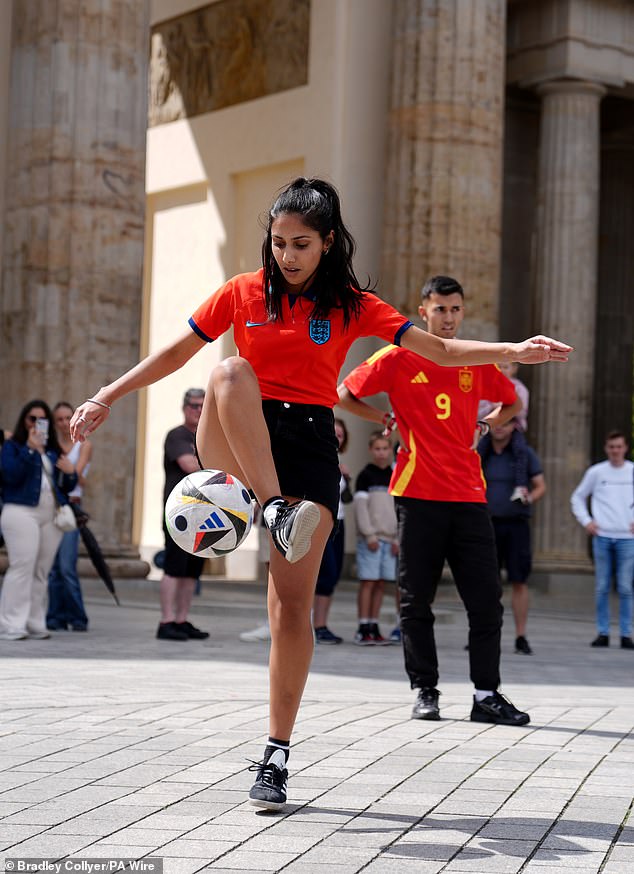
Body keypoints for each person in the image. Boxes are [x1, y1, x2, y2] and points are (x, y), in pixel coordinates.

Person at [70, 178, 570, 810]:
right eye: (278, 242)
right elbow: (174, 353)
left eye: (301, 244)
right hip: (236, 436)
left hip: (308, 446)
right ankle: (271, 507)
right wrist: (104, 396)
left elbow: (440, 350)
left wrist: (515, 351)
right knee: (227, 369)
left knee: (290, 610)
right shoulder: (242, 292)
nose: (287, 255)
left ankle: (275, 754)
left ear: (327, 243)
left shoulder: (354, 304)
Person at [339, 274, 541, 727]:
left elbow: (511, 404)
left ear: (461, 311)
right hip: (416, 493)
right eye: (439, 309)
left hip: (470, 495)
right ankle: (424, 691)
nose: (448, 318)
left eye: (455, 310)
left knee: (486, 600)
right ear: (423, 309)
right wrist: (383, 417)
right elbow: (346, 394)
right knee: (415, 600)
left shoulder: (475, 359)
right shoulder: (397, 356)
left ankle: (487, 695)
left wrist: (488, 423)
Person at [0, 400, 77, 640]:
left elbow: (66, 488)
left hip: (50, 515)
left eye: (41, 420)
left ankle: (34, 622)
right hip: (20, 511)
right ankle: (12, 624)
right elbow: (10, 476)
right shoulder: (13, 447)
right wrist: (31, 450)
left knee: (42, 570)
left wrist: (70, 472)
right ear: (24, 420)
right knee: (22, 567)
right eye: (32, 419)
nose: (36, 424)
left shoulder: (53, 451)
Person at [478, 417, 546, 655]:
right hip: (486, 524)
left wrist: (529, 497)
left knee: (519, 580)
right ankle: (484, 633)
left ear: (513, 427)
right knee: (486, 583)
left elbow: (540, 485)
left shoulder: (523, 453)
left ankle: (520, 635)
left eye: (506, 423)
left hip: (516, 524)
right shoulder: (481, 452)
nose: (500, 427)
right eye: (497, 422)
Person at [570, 430, 634, 649]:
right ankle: (603, 632)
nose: (615, 451)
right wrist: (587, 521)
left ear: (625, 448)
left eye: (619, 446)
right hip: (603, 535)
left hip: (627, 537)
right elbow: (577, 497)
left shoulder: (632, 471)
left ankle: (626, 633)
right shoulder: (597, 472)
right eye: (611, 447)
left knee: (625, 587)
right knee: (602, 586)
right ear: (607, 448)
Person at [157, 388, 210, 641]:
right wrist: (215, 466)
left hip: (203, 514)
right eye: (194, 405)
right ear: (184, 407)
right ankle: (166, 621)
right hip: (179, 514)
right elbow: (189, 466)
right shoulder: (177, 435)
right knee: (173, 569)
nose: (198, 410)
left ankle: (181, 619)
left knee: (192, 573)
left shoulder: (207, 436)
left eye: (202, 406)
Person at [46, 402, 92, 632]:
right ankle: (55, 616)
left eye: (67, 418)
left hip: (71, 508)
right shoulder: (49, 446)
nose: (64, 423)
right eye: (59, 419)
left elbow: (81, 480)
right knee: (53, 568)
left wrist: (70, 470)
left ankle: (78, 617)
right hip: (50, 507)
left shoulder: (82, 445)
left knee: (66, 566)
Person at [353, 431, 398, 645]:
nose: (381, 453)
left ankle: (374, 623)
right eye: (377, 449)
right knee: (368, 582)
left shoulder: (394, 476)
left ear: (391, 450)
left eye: (385, 448)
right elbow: (361, 509)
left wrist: (397, 538)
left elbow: (398, 510)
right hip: (370, 540)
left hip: (390, 541)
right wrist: (369, 534)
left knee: (381, 583)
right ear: (371, 450)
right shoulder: (365, 476)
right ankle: (363, 626)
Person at [313, 417, 352, 644]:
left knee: (333, 575)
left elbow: (347, 498)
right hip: (320, 521)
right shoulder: (319, 458)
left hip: (340, 520)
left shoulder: (340, 462)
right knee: (323, 574)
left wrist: (346, 476)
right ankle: (314, 625)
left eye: (341, 435)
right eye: (334, 434)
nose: (337, 439)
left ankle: (321, 624)